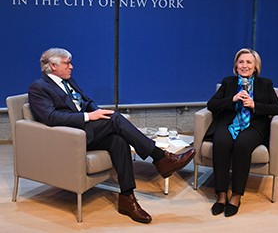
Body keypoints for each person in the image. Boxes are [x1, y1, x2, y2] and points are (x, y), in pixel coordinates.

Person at [28, 48, 196, 224]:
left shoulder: (68, 81)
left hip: (86, 131)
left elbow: (85, 101)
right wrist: (88, 116)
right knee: (115, 119)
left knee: (118, 140)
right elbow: (50, 117)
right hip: (70, 137)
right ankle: (160, 158)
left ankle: (127, 198)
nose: (71, 66)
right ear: (53, 66)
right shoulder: (39, 87)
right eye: (67, 63)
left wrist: (97, 111)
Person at [204, 48, 278, 217]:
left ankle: (236, 196)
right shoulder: (228, 82)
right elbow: (212, 104)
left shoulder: (265, 84)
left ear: (255, 67)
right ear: (236, 65)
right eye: (241, 62)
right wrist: (232, 99)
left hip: (253, 126)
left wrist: (255, 105)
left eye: (248, 62)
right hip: (229, 123)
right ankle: (222, 194)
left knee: (242, 144)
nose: (244, 65)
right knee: (222, 141)